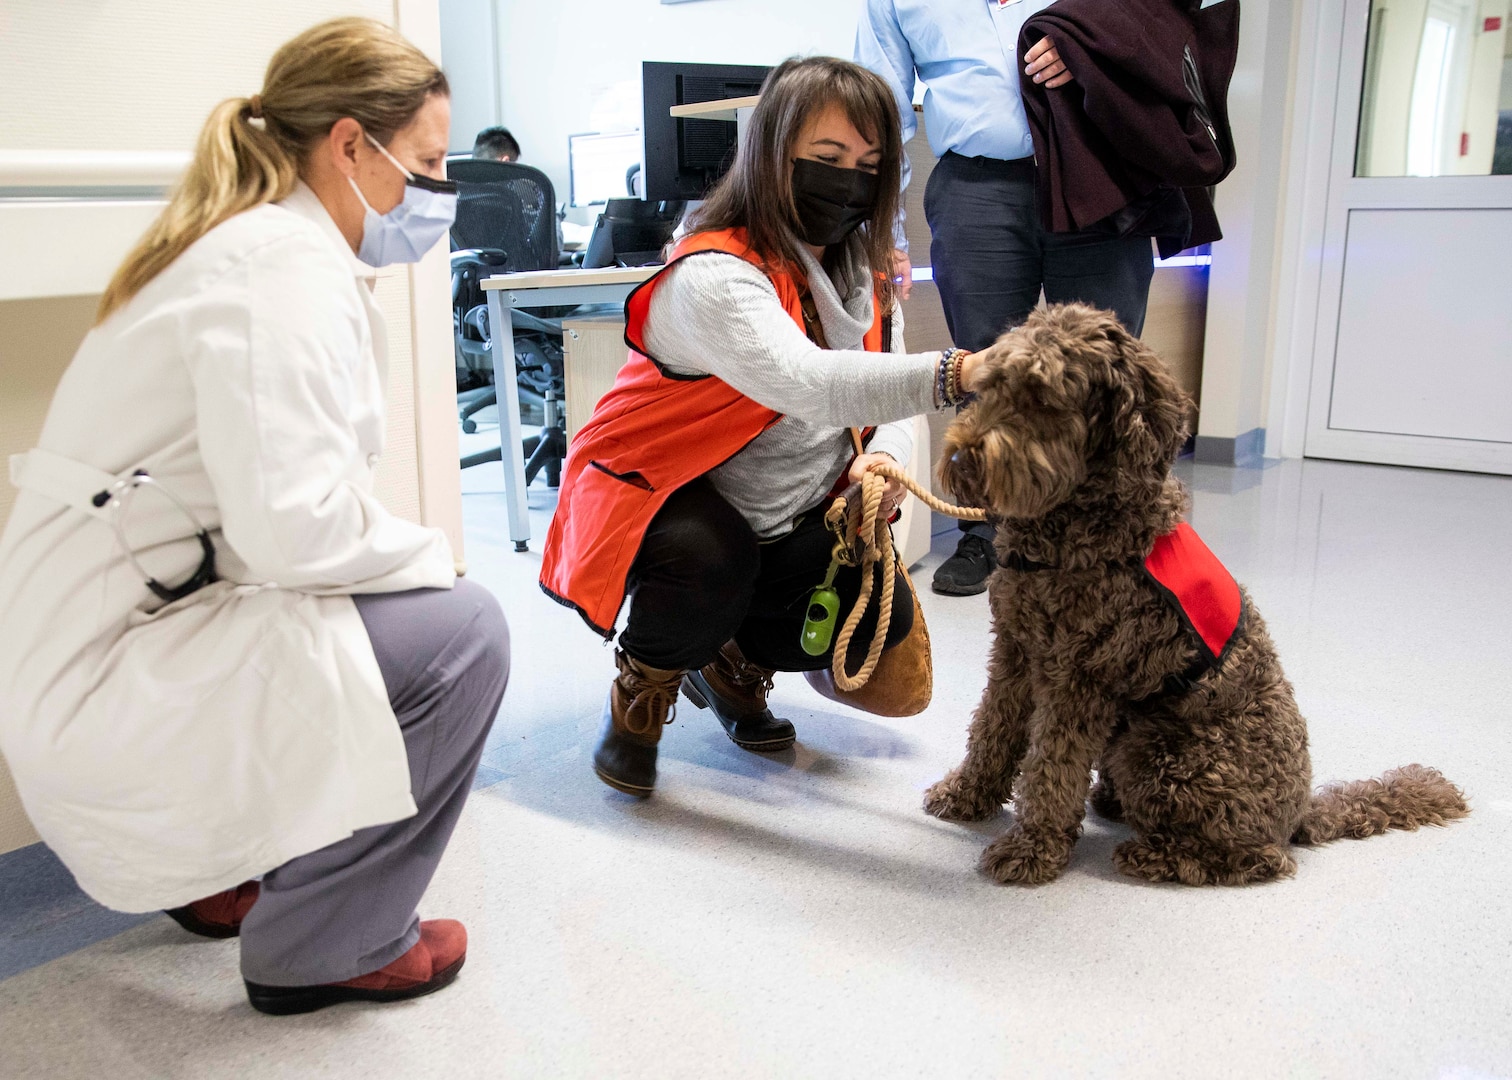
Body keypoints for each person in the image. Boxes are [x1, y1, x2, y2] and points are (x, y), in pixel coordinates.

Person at [0, 18, 509, 1016]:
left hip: (92, 643)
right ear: (350, 145)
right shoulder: (277, 266)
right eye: (429, 163)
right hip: (101, 683)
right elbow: (295, 534)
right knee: (464, 632)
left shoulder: (254, 247)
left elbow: (262, 523)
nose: (438, 193)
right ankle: (330, 940)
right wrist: (434, 556)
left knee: (350, 627)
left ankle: (218, 870)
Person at [539, 57, 987, 797]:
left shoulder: (868, 274)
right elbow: (808, 382)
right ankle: (642, 691)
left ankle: (729, 662)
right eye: (828, 159)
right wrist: (964, 372)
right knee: (712, 557)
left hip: (798, 510)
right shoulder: (714, 275)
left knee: (891, 669)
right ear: (771, 155)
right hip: (669, 501)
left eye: (871, 165)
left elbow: (894, 399)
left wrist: (882, 462)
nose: (850, 182)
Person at [856, 0, 1157, 597]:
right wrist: (884, 234)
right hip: (976, 184)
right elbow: (881, 113)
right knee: (985, 366)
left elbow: (1164, 27)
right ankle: (991, 533)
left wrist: (1096, 58)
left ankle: (1114, 532)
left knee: (1108, 368)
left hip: (1097, 170)